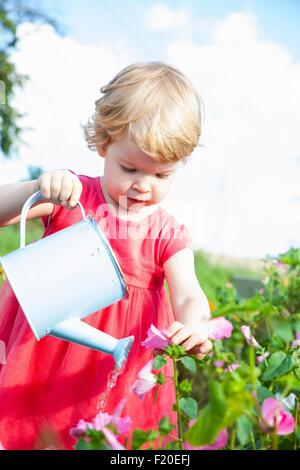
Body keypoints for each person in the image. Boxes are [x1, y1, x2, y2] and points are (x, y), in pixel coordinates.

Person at [0, 62, 212, 450]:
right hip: (38, 358)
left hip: (111, 373)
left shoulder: (166, 232)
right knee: (24, 431)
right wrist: (38, 187)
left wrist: (196, 327)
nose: (142, 186)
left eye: (161, 175)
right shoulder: (73, 195)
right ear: (103, 144)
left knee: (105, 440)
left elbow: (188, 295)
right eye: (129, 167)